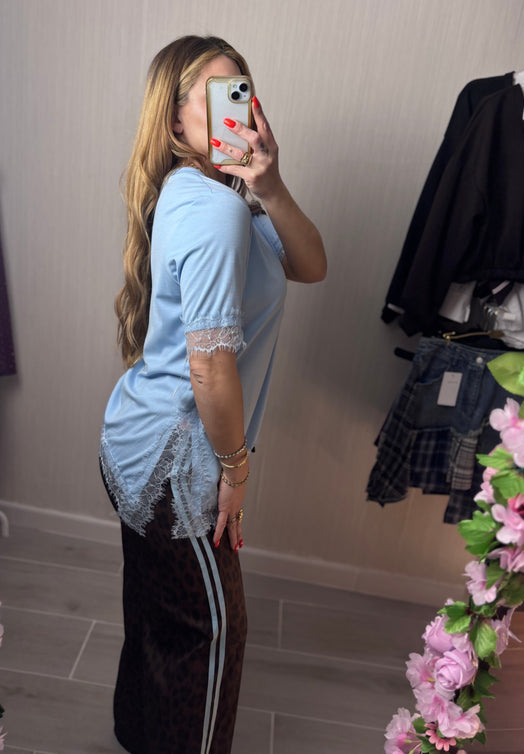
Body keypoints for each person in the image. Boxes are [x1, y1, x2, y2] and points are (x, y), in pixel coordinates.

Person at [99, 34, 326, 754]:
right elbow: (210, 369)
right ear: (174, 120)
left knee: (157, 613)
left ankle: (138, 734)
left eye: (243, 91)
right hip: (176, 462)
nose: (240, 108)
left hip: (136, 435)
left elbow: (310, 265)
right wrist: (235, 468)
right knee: (211, 635)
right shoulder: (214, 210)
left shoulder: (222, 198)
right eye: (219, 95)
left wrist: (270, 184)